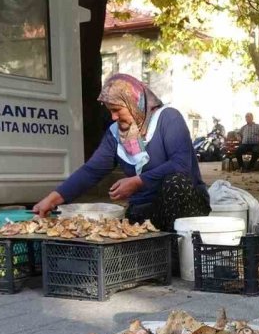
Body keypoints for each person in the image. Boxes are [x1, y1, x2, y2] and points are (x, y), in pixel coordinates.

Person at [32, 74, 210, 231]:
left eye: (117, 110)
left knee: (175, 182)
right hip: (147, 210)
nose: (113, 117)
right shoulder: (115, 134)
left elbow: (181, 165)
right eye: (110, 111)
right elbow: (91, 171)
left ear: (134, 103)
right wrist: (52, 199)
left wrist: (137, 182)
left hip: (187, 207)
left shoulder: (168, 119)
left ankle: (178, 254)